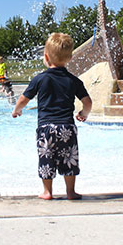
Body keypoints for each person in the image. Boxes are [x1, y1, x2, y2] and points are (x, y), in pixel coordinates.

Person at [12, 33, 92, 201]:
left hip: (46, 128)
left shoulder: (40, 79)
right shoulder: (74, 80)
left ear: (46, 57)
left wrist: (17, 110)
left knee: (46, 158)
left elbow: (23, 99)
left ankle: (47, 192)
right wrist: (83, 114)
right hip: (67, 128)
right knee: (69, 158)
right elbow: (88, 102)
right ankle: (70, 192)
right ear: (70, 57)